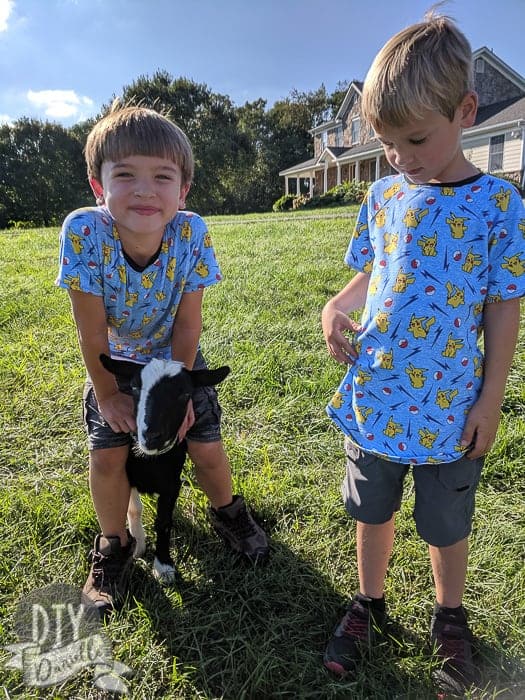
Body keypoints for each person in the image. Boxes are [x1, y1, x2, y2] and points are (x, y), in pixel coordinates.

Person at [321, 9, 525, 693]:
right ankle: (367, 604)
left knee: (444, 521)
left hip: (448, 405)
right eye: (386, 143)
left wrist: (490, 400)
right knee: (369, 509)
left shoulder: (498, 202)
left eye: (414, 138)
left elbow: (502, 304)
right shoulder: (382, 195)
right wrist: (335, 305)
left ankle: (448, 617)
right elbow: (371, 269)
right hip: (376, 390)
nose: (400, 158)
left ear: (465, 110)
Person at [56, 104, 269, 617]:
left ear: (183, 190)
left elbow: (188, 324)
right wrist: (108, 395)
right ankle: (113, 544)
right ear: (97, 186)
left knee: (207, 448)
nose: (145, 190)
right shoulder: (84, 232)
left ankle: (228, 512)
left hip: (176, 362)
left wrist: (177, 393)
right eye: (125, 175)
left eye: (162, 176)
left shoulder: (191, 232)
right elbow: (91, 330)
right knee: (108, 457)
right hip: (118, 368)